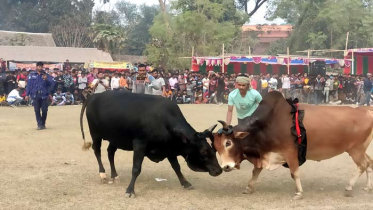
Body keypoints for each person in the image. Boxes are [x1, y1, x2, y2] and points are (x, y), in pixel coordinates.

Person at [25, 62, 55, 130]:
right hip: (35, 95)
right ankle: (39, 124)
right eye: (39, 66)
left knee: (44, 110)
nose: (40, 68)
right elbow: (29, 86)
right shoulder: (31, 75)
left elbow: (51, 84)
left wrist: (46, 79)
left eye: (41, 67)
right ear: (36, 67)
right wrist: (27, 94)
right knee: (37, 110)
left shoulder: (46, 75)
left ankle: (43, 123)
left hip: (44, 95)